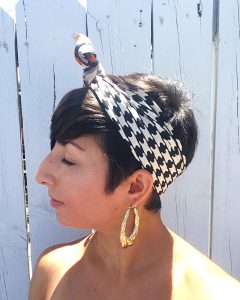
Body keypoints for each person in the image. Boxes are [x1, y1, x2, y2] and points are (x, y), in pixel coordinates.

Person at [29, 35, 240, 300]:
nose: (41, 175)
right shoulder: (51, 271)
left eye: (68, 160)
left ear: (136, 186)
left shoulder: (216, 295)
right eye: (54, 149)